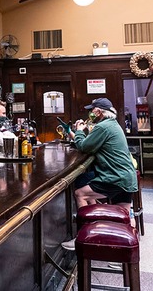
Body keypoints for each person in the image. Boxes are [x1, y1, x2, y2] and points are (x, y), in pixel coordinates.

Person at [61, 98, 138, 251]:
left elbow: (84, 146)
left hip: (115, 177)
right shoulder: (113, 124)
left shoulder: (102, 127)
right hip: (127, 177)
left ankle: (84, 237)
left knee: (80, 194)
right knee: (125, 214)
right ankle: (126, 249)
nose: (90, 113)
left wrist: (78, 131)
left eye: (92, 110)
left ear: (98, 111)